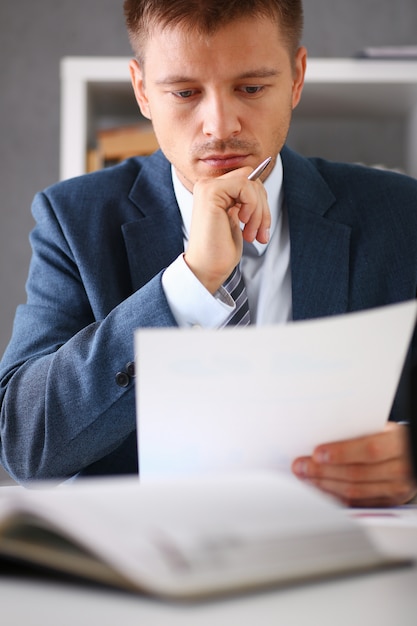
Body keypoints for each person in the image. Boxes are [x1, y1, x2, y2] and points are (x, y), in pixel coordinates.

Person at [0, 0, 416, 506]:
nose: (219, 126)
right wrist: (190, 283)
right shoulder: (73, 220)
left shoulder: (402, 214)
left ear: (297, 78)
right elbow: (25, 444)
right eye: (184, 92)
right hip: (148, 569)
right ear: (142, 91)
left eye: (251, 88)